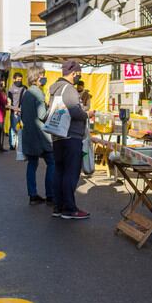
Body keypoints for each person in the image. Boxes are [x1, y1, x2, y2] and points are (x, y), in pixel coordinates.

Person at [48, 60, 90, 220]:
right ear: (74, 73)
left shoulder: (55, 89)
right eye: (78, 73)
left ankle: (58, 207)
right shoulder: (69, 89)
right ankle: (69, 209)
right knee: (70, 173)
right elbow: (75, 112)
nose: (79, 76)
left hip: (57, 135)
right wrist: (87, 113)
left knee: (59, 171)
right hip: (71, 135)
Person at [20, 66, 55, 205]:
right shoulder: (39, 94)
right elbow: (42, 115)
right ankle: (51, 195)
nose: (44, 77)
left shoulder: (26, 93)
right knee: (52, 163)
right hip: (41, 136)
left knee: (32, 164)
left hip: (29, 134)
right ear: (37, 77)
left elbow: (23, 115)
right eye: (43, 75)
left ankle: (32, 194)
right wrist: (52, 109)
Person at [7, 72, 27, 150]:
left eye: (21, 80)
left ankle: (20, 144)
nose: (19, 81)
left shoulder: (24, 88)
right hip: (14, 112)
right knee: (13, 128)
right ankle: (12, 145)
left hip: (23, 112)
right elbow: (9, 101)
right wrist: (12, 108)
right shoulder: (11, 89)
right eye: (18, 80)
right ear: (14, 79)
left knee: (22, 129)